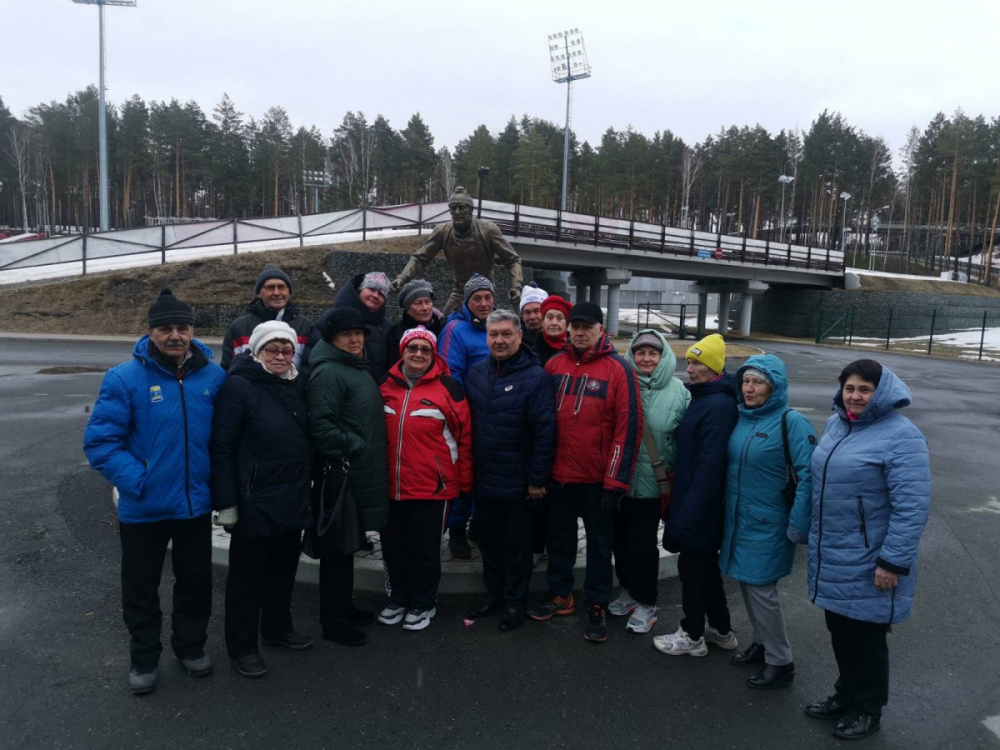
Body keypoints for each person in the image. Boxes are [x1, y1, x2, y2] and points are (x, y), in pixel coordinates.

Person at [83, 289, 225, 695]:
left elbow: (223, 439)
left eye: (182, 327)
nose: (175, 335)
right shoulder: (125, 379)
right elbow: (101, 443)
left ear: (192, 331)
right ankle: (144, 658)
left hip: (195, 506)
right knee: (141, 588)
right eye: (166, 328)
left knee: (195, 583)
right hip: (143, 508)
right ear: (151, 332)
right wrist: (139, 481)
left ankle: (190, 647)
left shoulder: (213, 377)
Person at [805, 359, 930, 741]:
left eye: (865, 389)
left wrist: (892, 562)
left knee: (867, 640)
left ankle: (868, 709)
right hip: (834, 552)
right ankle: (845, 697)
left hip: (871, 559)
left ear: (882, 392)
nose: (856, 396)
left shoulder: (902, 436)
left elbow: (912, 508)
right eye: (850, 388)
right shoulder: (837, 424)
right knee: (840, 631)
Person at [527, 301, 642, 644]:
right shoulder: (553, 365)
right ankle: (560, 594)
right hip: (559, 476)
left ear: (600, 330)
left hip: (597, 481)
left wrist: (616, 481)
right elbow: (541, 422)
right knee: (558, 539)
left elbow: (627, 427)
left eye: (586, 327)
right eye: (574, 326)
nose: (578, 332)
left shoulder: (618, 370)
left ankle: (596, 602)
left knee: (599, 546)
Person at [210, 321, 313, 679]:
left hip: (292, 495)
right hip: (255, 499)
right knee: (246, 580)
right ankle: (241, 646)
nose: (282, 356)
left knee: (283, 571)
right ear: (257, 351)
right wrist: (227, 503)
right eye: (273, 349)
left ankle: (277, 628)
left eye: (287, 349)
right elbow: (221, 447)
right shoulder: (239, 386)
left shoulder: (296, 382)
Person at [718, 354, 816, 690]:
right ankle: (761, 643)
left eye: (758, 382)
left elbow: (809, 478)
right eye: (746, 380)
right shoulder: (743, 418)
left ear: (774, 387)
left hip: (771, 523)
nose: (749, 388)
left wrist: (797, 525)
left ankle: (781, 660)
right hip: (739, 520)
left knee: (762, 590)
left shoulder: (792, 423)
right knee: (747, 583)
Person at [464, 310, 557, 632]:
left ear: (519, 336)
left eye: (506, 334)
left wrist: (536, 481)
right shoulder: (476, 373)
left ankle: (515, 602)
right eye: (493, 334)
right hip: (484, 481)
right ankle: (494, 596)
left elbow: (545, 433)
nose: (499, 340)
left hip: (519, 485)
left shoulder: (536, 377)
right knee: (489, 544)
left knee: (517, 551)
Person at [378, 326, 473, 631]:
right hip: (390, 486)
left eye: (425, 349)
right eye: (412, 348)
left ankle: (423, 603)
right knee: (393, 547)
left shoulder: (449, 389)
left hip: (433, 487)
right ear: (402, 351)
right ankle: (398, 599)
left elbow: (465, 439)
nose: (418, 354)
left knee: (425, 550)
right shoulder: (384, 385)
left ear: (434, 355)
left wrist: (465, 484)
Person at [307, 307, 390, 647]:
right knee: (337, 552)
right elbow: (321, 426)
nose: (356, 340)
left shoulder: (352, 366)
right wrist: (354, 446)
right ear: (332, 338)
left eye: (360, 334)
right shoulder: (329, 373)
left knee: (346, 548)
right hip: (341, 474)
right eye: (348, 335)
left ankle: (344, 606)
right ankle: (334, 621)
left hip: (355, 473)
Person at [654, 333, 739, 657]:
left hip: (701, 508)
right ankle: (721, 629)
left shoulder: (717, 406)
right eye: (688, 361)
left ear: (714, 367)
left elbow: (709, 468)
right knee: (705, 570)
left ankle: (692, 635)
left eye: (697, 362)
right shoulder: (705, 397)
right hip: (698, 504)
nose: (689, 368)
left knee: (692, 572)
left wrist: (687, 515)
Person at [609, 329, 689, 634]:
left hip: (655, 483)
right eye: (640, 352)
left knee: (643, 545)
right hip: (620, 482)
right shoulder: (621, 384)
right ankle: (629, 589)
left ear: (663, 356)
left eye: (652, 353)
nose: (646, 358)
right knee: (620, 542)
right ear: (631, 355)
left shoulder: (680, 391)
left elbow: (685, 439)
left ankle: (647, 601)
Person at [389, 186, 524, 316]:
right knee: (445, 325)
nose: (457, 212)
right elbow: (420, 258)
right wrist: (402, 278)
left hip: (484, 291)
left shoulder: (488, 230)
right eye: (453, 208)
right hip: (459, 290)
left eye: (462, 207)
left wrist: (516, 287)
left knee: (488, 326)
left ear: (471, 210)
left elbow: (512, 260)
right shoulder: (442, 231)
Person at [437, 273, 495, 558]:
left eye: (488, 298)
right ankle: (457, 528)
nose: (484, 303)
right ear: (467, 301)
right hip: (467, 414)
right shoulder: (456, 329)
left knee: (486, 473)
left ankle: (477, 525)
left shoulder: (495, 326)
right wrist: (459, 414)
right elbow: (449, 375)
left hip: (494, 415)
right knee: (464, 474)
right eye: (477, 298)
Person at [220, 263, 320, 373]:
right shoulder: (239, 327)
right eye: (270, 288)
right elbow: (228, 369)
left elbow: (310, 369)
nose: (277, 293)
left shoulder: (305, 326)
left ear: (289, 292)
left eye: (282, 287)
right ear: (259, 293)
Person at [316, 271, 392, 383]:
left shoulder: (387, 326)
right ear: (360, 290)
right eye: (371, 289)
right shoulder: (333, 316)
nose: (375, 295)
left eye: (381, 294)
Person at [385, 279, 444, 370]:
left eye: (427, 302)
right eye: (418, 303)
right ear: (407, 308)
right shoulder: (396, 333)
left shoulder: (442, 327)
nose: (425, 308)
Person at [534, 295, 571, 368]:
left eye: (559, 318)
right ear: (543, 321)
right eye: (549, 318)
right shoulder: (531, 351)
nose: (554, 323)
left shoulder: (576, 348)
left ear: (566, 323)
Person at [518, 283, 548, 350]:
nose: (532, 317)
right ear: (522, 316)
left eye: (537, 311)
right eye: (527, 312)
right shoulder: (516, 342)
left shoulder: (557, 339)